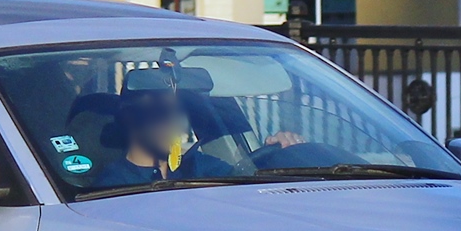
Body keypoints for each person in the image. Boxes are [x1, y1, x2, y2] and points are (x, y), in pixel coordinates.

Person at [93, 86, 304, 187]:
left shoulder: (202, 166)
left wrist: (279, 152)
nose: (172, 121)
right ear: (130, 117)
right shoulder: (114, 184)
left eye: (177, 112)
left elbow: (244, 181)